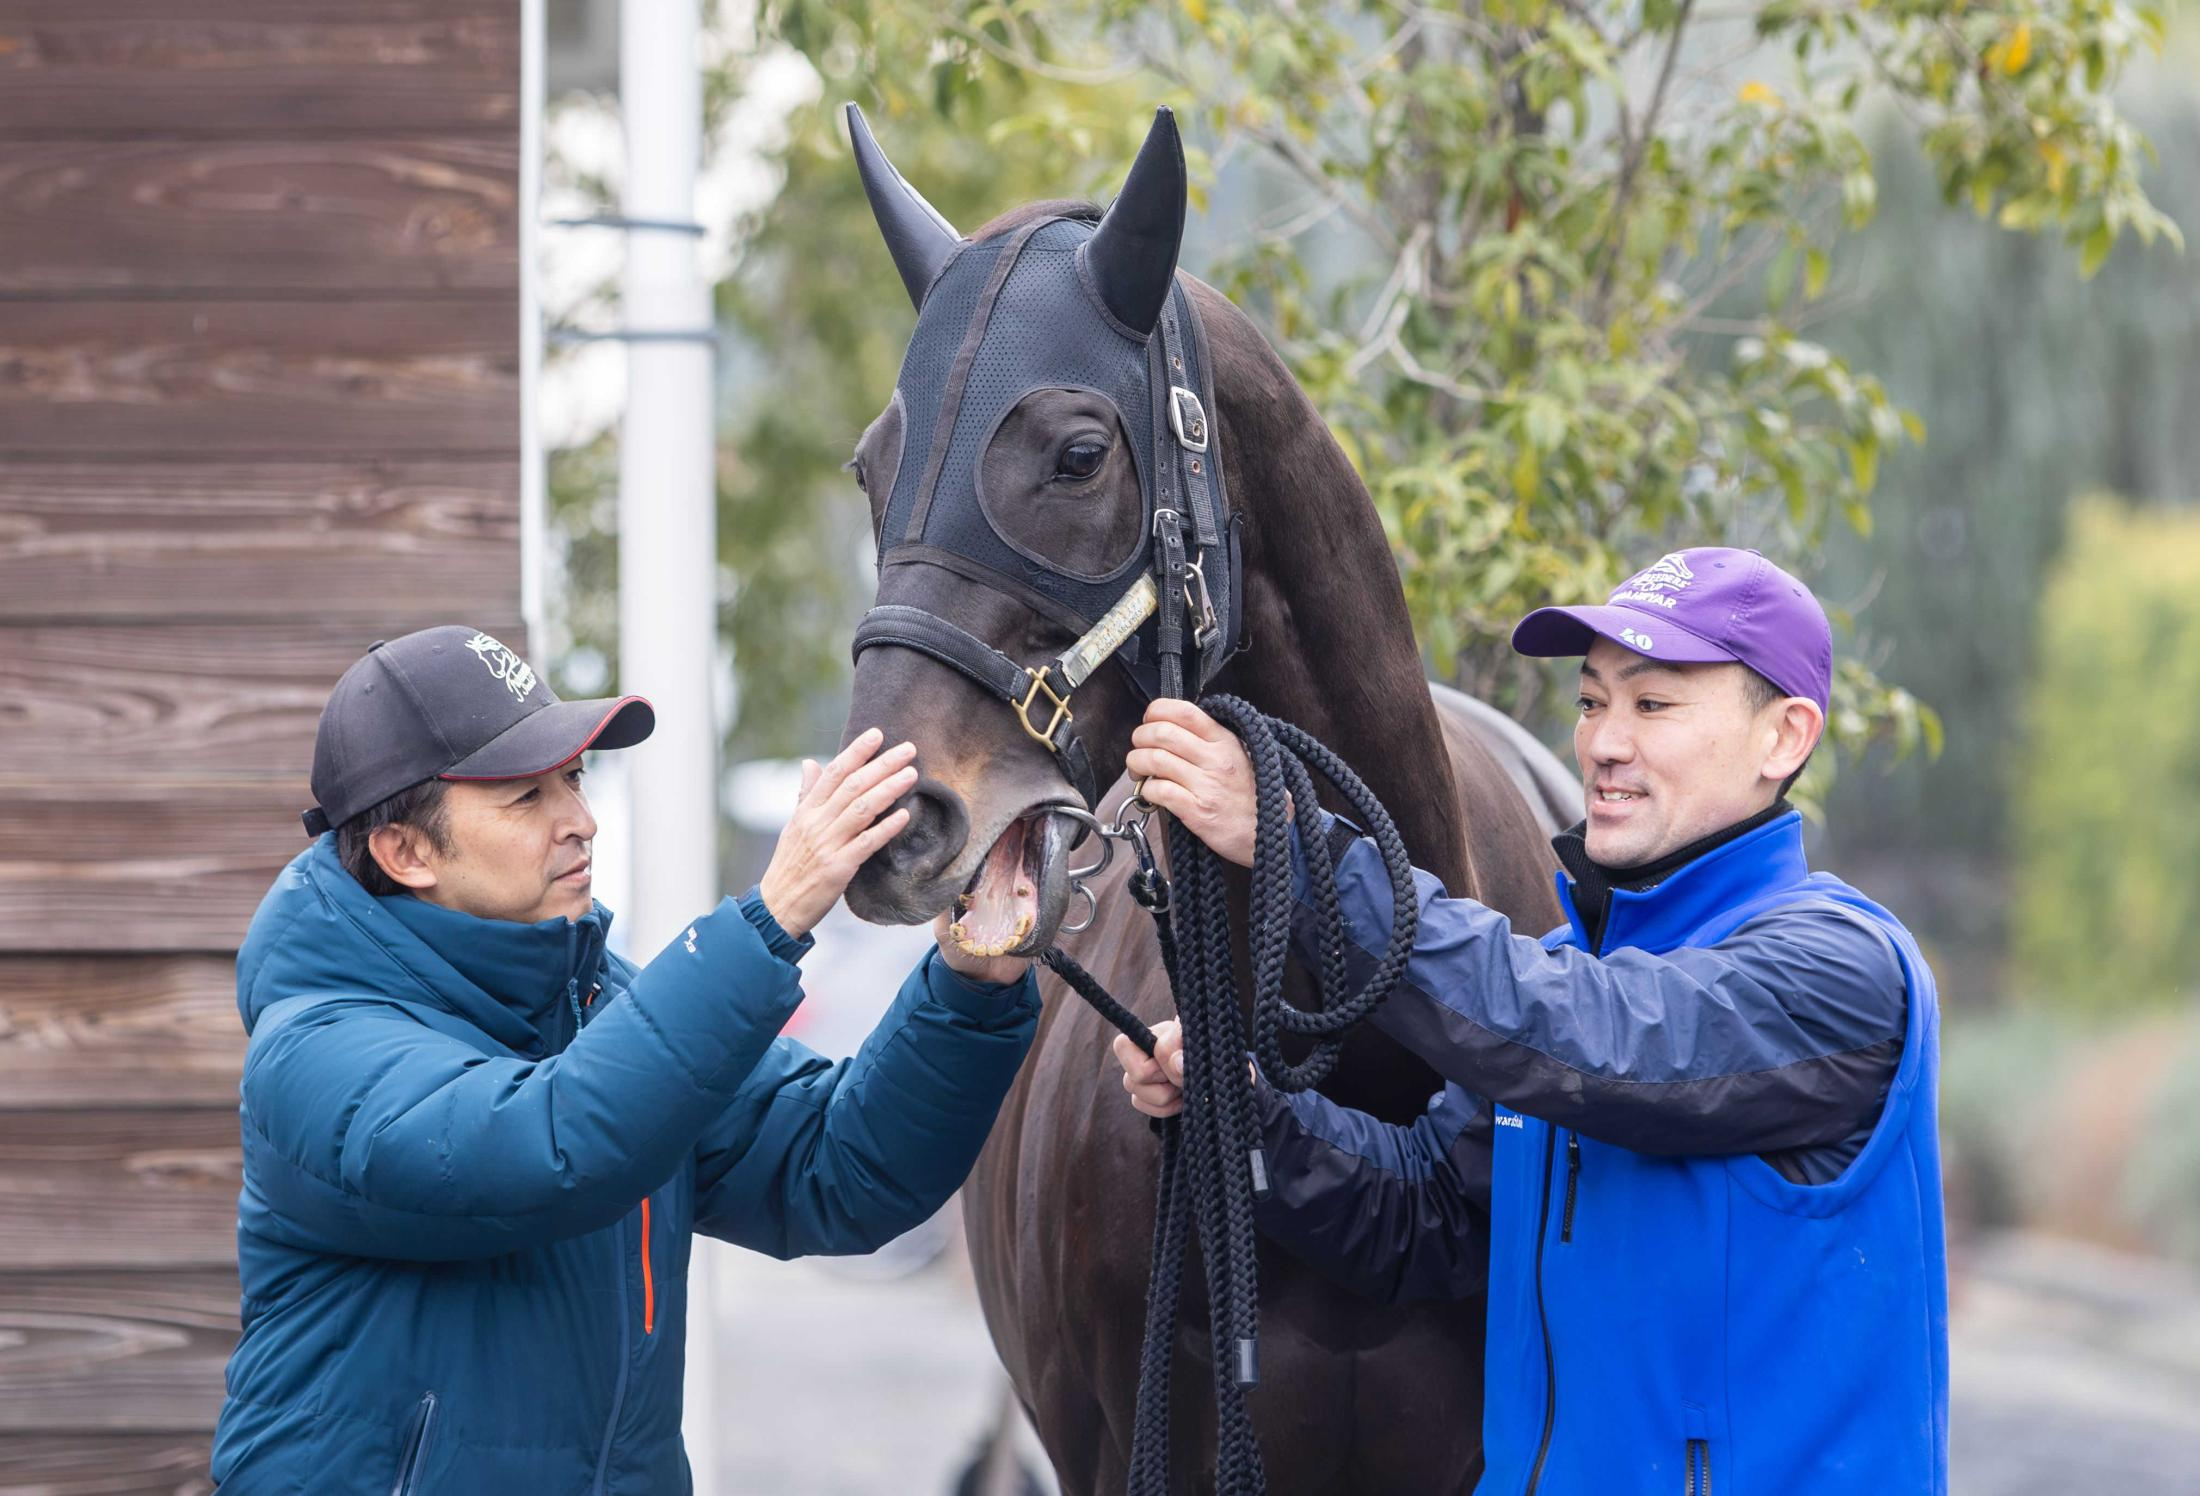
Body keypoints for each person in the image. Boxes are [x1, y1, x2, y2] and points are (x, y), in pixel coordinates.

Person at [1112, 548, 1946, 1494]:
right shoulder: (1566, 978)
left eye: (1653, 704)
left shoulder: (1840, 970)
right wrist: (1241, 1106)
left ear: (1784, 737)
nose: (1602, 743)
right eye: (1592, 702)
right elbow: (1421, 1215)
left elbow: (1606, 1043)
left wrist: (1298, 853)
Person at [212, 626, 1037, 1494]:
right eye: (527, 798)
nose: (582, 820)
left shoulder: (598, 1004)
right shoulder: (313, 1052)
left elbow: (840, 1170)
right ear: (406, 853)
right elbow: (550, 1145)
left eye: (573, 778)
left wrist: (973, 981)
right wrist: (773, 914)